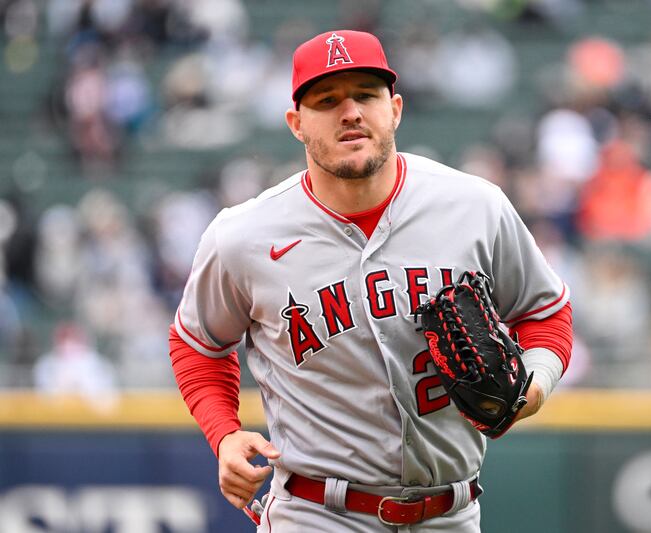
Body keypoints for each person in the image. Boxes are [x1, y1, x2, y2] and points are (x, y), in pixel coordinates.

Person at [169, 29, 573, 532]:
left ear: (395, 108)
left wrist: (534, 384)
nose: (351, 112)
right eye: (327, 100)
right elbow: (196, 345)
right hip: (317, 514)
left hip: (452, 514)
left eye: (365, 94)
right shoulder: (244, 236)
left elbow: (544, 310)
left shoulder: (475, 207)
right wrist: (224, 433)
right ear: (296, 122)